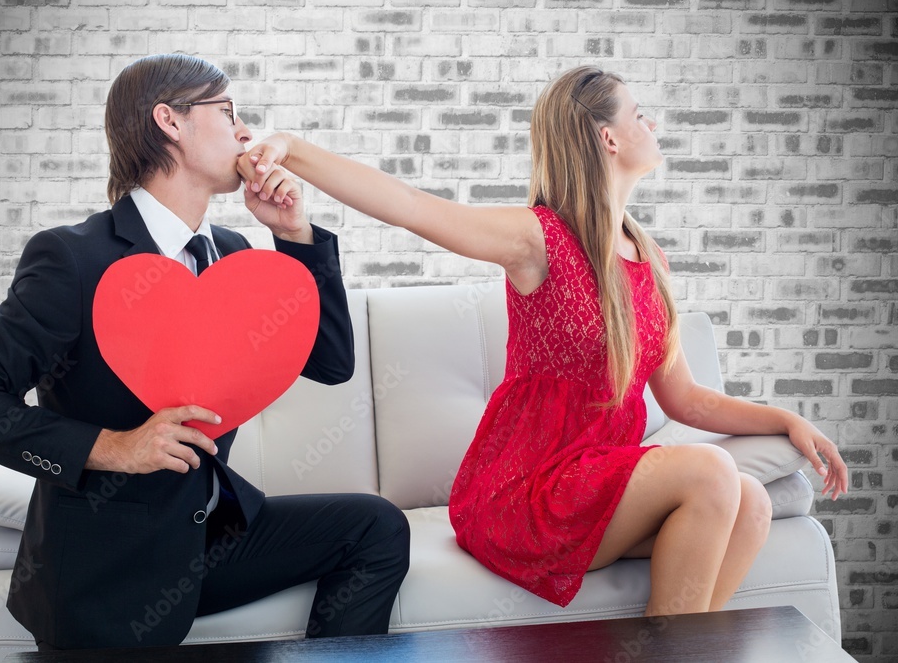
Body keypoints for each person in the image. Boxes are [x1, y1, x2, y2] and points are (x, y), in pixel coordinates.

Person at [236, 66, 849, 616]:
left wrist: (784, 419)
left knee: (752, 502)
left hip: (602, 489)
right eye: (639, 113)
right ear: (608, 137)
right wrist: (293, 148)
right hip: (526, 493)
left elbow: (687, 398)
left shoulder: (650, 260)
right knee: (716, 474)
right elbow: (408, 206)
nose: (652, 123)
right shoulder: (539, 239)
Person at [0, 53, 409, 650]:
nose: (244, 131)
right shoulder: (73, 259)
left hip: (213, 534)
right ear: (170, 121)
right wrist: (114, 448)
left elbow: (331, 364)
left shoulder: (236, 255)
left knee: (374, 525)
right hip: (111, 565)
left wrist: (293, 237)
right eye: (228, 111)